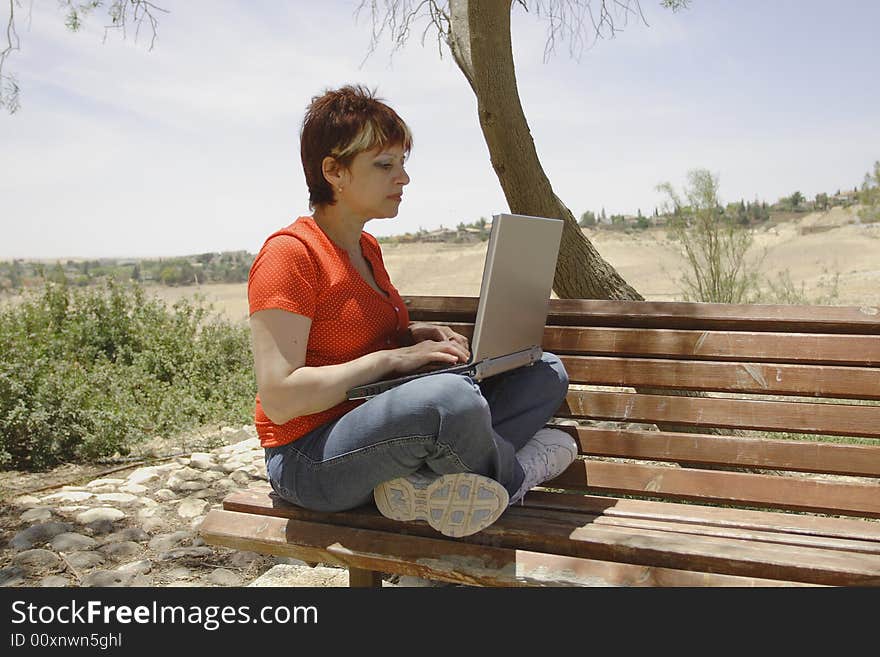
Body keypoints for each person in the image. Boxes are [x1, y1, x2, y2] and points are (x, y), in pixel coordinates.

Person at [248, 84, 577, 539]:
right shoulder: (290, 255)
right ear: (333, 171)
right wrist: (394, 360)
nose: (402, 179)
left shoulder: (365, 248)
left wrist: (416, 338)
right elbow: (282, 398)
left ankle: (424, 486)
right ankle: (521, 474)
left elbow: (360, 335)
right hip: (311, 457)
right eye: (385, 165)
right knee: (449, 401)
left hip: (381, 427)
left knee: (543, 371)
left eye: (402, 164)